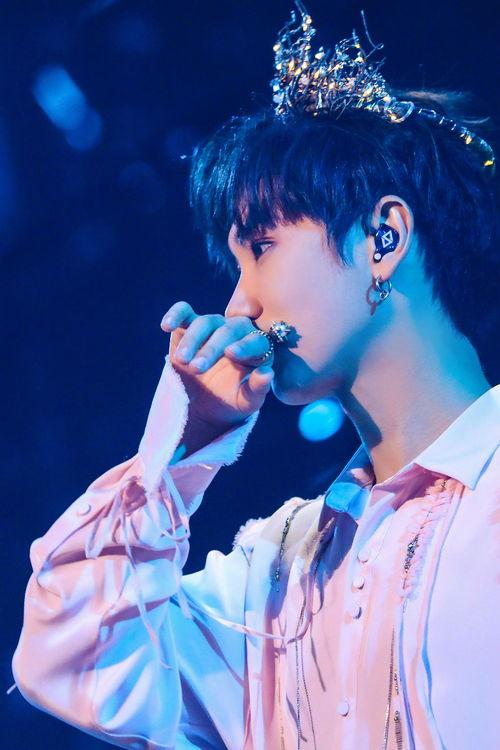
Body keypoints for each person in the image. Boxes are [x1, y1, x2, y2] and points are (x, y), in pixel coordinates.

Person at [11, 3, 499, 749]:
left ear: (383, 236)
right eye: (236, 265)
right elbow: (70, 659)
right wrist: (181, 453)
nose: (239, 303)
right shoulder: (274, 572)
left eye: (262, 247)